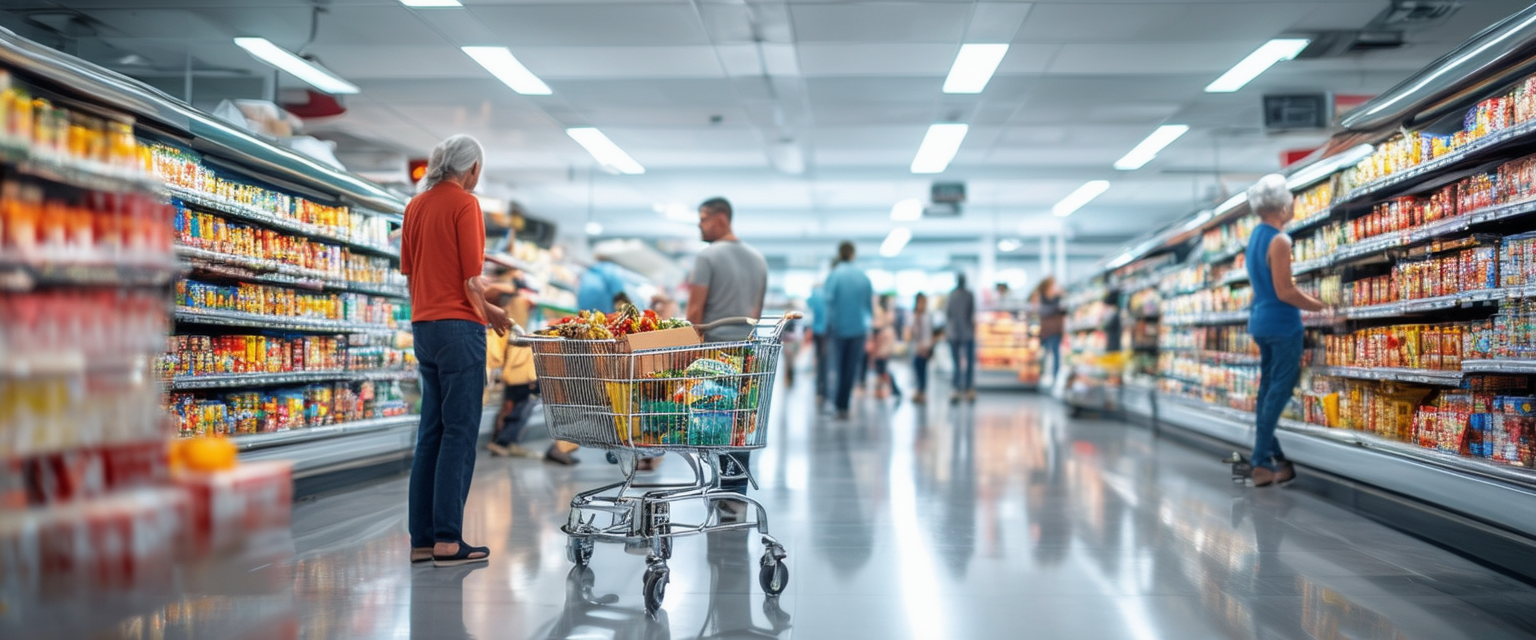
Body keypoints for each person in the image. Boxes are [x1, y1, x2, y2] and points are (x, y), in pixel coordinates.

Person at [401, 134, 510, 567]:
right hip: (460, 328)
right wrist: (492, 312)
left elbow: (410, 274)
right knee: (460, 432)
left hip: (423, 326)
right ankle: (449, 538)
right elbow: (470, 280)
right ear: (472, 170)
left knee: (431, 432)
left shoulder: (415, 206)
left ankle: (422, 540)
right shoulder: (465, 204)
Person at [686, 197, 768, 521]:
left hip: (713, 355)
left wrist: (687, 353)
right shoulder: (759, 259)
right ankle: (735, 494)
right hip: (746, 356)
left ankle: (720, 490)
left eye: (703, 219)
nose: (700, 225)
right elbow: (756, 313)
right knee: (739, 423)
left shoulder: (707, 257)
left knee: (712, 421)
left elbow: (695, 313)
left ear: (721, 219)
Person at [1245, 174, 1326, 487]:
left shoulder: (1255, 237)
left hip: (1260, 321)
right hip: (1282, 323)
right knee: (1277, 392)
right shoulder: (1280, 240)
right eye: (1290, 197)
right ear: (1280, 206)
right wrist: (1320, 306)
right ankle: (1260, 462)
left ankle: (1276, 459)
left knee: (1267, 392)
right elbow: (1285, 291)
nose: (1293, 202)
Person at [824, 241, 874, 420]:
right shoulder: (863, 277)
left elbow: (828, 303)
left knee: (836, 367)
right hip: (858, 330)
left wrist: (830, 325)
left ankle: (836, 404)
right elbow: (869, 307)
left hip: (838, 329)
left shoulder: (834, 275)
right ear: (853, 254)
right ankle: (844, 405)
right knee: (851, 369)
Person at [945, 272, 977, 405]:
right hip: (964, 333)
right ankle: (964, 388)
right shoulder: (967, 295)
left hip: (958, 333)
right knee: (964, 363)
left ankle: (961, 388)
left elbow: (948, 314)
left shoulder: (953, 295)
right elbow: (971, 313)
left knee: (959, 363)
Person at [1031, 276, 1066, 383]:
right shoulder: (1042, 299)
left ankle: (1054, 378)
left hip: (1055, 331)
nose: (1054, 288)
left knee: (1054, 354)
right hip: (1047, 331)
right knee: (1047, 354)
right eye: (1052, 285)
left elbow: (1064, 311)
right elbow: (1044, 311)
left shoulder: (1055, 299)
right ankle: (1043, 377)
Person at [870, 294, 901, 401]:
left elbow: (878, 326)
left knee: (882, 369)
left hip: (883, 344)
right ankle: (882, 391)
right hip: (882, 343)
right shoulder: (885, 313)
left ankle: (894, 389)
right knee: (880, 369)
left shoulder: (884, 314)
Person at [807, 274, 831, 409]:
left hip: (816, 330)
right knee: (825, 359)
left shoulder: (814, 294)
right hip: (826, 331)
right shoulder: (826, 293)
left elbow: (808, 305)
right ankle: (825, 389)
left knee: (818, 357)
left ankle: (819, 387)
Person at [908, 292, 937, 404]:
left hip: (925, 347)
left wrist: (928, 346)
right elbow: (911, 333)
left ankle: (922, 391)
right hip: (916, 348)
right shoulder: (914, 316)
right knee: (916, 369)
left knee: (923, 370)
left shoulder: (926, 317)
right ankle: (918, 390)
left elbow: (929, 333)